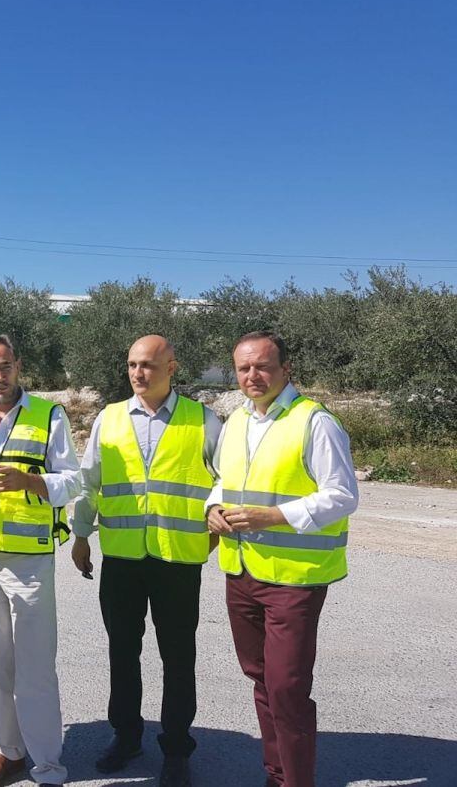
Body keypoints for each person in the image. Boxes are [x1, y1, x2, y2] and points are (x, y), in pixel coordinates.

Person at [206, 331, 358, 787]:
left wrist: (275, 516)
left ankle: (296, 781)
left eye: (263, 367)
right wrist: (212, 509)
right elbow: (223, 481)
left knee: (287, 688)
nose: (252, 376)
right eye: (243, 368)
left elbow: (343, 496)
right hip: (241, 570)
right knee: (262, 679)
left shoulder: (315, 422)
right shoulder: (235, 421)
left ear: (285, 369)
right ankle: (276, 774)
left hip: (294, 579)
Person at [72, 335, 221, 787]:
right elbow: (89, 481)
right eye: (133, 365)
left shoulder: (204, 420)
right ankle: (126, 735)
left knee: (178, 657)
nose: (139, 373)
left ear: (172, 368)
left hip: (178, 560)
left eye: (150, 366)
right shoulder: (110, 418)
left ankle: (176, 747)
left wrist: (212, 523)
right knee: (123, 652)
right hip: (121, 558)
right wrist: (80, 534)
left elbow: (226, 480)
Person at [0, 334, 81, 787]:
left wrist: (31, 480)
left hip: (29, 562)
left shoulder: (49, 415)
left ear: (18, 366)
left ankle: (48, 766)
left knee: (35, 666)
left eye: (5, 366)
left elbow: (73, 483)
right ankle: (10, 752)